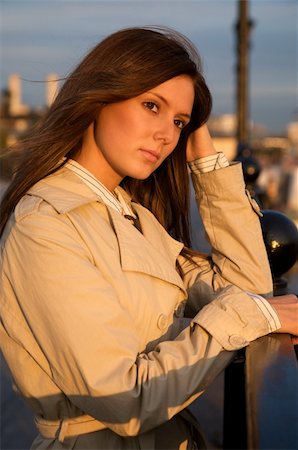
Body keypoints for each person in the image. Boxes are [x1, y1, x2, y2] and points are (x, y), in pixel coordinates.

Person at [0, 27, 297, 450]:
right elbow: (125, 400)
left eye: (179, 121)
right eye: (151, 106)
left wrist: (204, 157)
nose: (167, 134)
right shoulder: (45, 226)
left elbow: (251, 290)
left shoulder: (133, 215)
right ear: (100, 97)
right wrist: (255, 316)